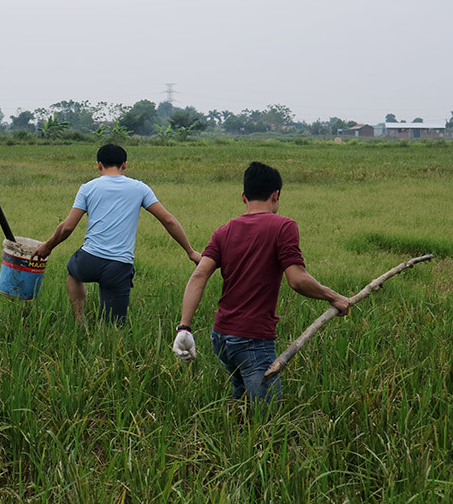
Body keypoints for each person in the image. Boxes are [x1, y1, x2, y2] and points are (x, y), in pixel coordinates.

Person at [172, 161, 350, 403]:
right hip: (252, 339)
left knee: (241, 401)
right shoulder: (283, 226)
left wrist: (184, 327)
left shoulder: (224, 231)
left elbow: (199, 275)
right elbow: (297, 280)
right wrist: (334, 297)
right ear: (275, 195)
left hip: (221, 337)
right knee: (265, 419)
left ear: (244, 197)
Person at [33, 143, 201, 325]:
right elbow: (168, 220)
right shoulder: (140, 188)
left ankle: (80, 320)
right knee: (114, 326)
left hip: (88, 260)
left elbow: (67, 227)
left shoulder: (88, 188)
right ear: (125, 164)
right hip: (119, 266)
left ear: (98, 165)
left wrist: (47, 246)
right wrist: (190, 251)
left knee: (73, 271)